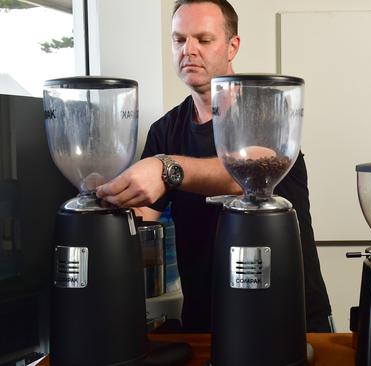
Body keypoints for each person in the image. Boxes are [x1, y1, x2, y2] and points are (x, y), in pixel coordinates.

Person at [96, 0, 333, 333]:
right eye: (179, 40)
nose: (188, 50)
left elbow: (245, 178)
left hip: (287, 314)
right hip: (206, 320)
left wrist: (167, 169)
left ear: (232, 46)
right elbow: (143, 216)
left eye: (203, 40)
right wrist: (102, 200)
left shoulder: (268, 110)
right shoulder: (166, 130)